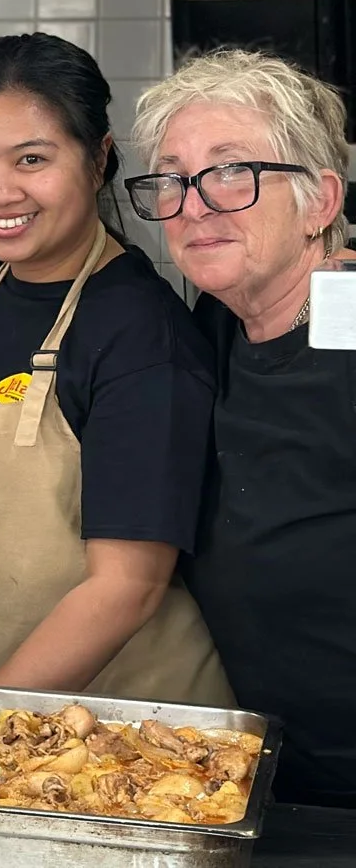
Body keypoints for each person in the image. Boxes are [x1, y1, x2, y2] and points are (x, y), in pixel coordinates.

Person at [0, 33, 228, 703]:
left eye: (32, 159)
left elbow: (128, 587)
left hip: (128, 737)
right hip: (7, 722)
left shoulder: (139, 332)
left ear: (98, 161)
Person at [130, 48, 356, 806]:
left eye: (232, 171)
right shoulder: (217, 325)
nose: (195, 206)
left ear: (320, 201)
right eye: (174, 177)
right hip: (270, 783)